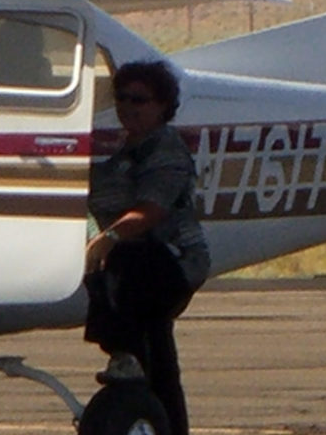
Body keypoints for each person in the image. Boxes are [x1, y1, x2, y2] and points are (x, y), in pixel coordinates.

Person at [84, 60, 210, 435]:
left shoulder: (164, 150)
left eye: (139, 99)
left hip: (167, 258)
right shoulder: (128, 151)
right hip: (133, 259)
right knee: (150, 346)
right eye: (121, 97)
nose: (128, 106)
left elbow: (151, 210)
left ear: (162, 106)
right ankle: (137, 387)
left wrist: (107, 239)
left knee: (154, 351)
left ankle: (157, 413)